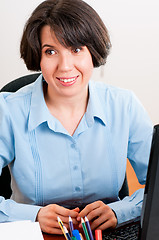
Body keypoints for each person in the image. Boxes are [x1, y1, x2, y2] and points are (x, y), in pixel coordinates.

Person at [0, 0, 152, 235]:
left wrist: (120, 211)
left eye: (76, 49)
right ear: (37, 56)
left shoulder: (124, 105)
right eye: (50, 51)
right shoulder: (9, 111)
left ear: (93, 51)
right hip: (36, 235)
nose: (65, 66)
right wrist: (34, 216)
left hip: (106, 233)